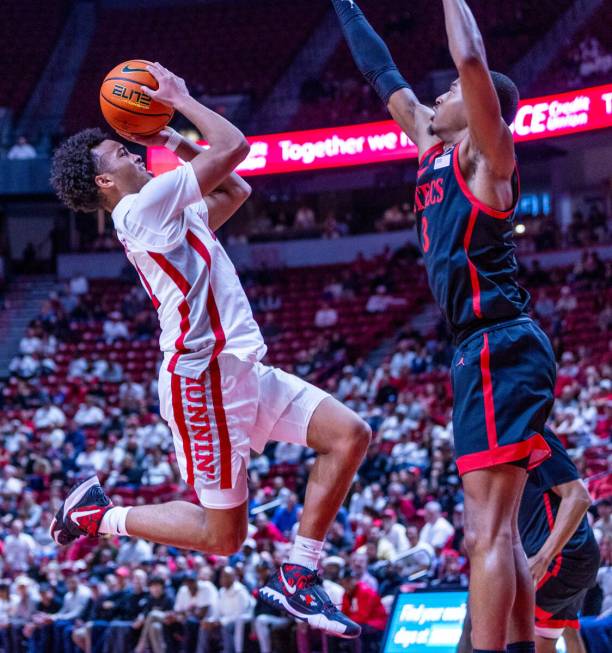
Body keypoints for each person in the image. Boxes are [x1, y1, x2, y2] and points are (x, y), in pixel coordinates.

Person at [49, 61, 370, 639]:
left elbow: (234, 186)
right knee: (223, 536)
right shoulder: (139, 208)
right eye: (117, 153)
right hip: (204, 380)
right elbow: (235, 147)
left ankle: (300, 572)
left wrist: (172, 137)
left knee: (350, 435)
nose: (129, 150)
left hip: (241, 367)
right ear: (103, 182)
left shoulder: (166, 210)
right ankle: (98, 515)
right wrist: (181, 99)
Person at [332, 2, 558, 652]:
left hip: (498, 343)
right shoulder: (430, 144)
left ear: (483, 105)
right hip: (489, 346)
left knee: (485, 528)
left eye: (454, 92)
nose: (438, 91)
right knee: (502, 527)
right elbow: (381, 71)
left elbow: (470, 57)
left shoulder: (490, 158)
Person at [458, 430, 600, 653]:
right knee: (546, 643)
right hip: (571, 559)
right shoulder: (500, 442)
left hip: (562, 559)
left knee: (484, 621)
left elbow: (578, 497)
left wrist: (544, 557)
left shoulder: (532, 431)